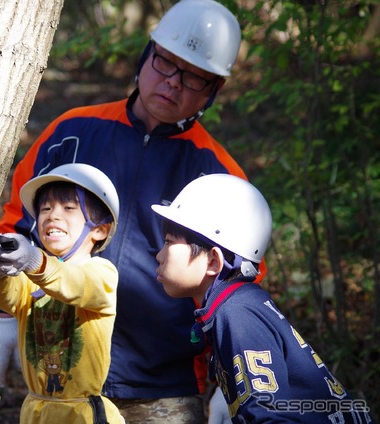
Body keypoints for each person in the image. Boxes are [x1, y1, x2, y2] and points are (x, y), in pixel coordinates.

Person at [0, 0, 252, 421]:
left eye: (195, 78)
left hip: (163, 385)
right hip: (62, 372)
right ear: (147, 56)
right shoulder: (71, 131)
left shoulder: (219, 175)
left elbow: (237, 287)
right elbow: (20, 219)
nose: (173, 84)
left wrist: (233, 376)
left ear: (214, 90)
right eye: (165, 64)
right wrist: (0, 314)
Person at [152, 173, 375, 423]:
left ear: (213, 261)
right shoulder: (240, 304)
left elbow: (270, 417)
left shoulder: (238, 315)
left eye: (169, 243)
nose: (159, 255)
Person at [0, 163, 125, 424]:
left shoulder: (102, 272)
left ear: (99, 230)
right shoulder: (32, 277)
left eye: (69, 208)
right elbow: (4, 297)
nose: (53, 216)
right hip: (36, 410)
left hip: (82, 414)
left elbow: (75, 284)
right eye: (45, 208)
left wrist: (35, 260)